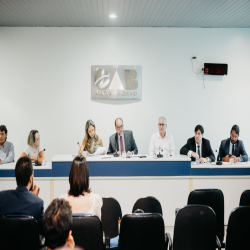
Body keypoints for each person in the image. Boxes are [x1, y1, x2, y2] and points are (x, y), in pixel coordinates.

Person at [0, 156, 44, 233]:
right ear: (31, 178)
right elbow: (42, 231)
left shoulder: (2, 197)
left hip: (6, 245)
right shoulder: (38, 203)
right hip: (30, 245)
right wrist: (33, 197)